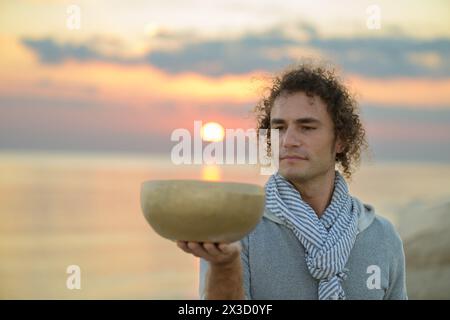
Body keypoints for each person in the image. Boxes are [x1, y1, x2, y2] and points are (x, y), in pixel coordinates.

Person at [177, 63, 407, 300]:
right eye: (279, 127)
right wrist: (225, 267)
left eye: (306, 127)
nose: (288, 140)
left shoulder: (382, 237)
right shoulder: (237, 230)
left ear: (341, 140)